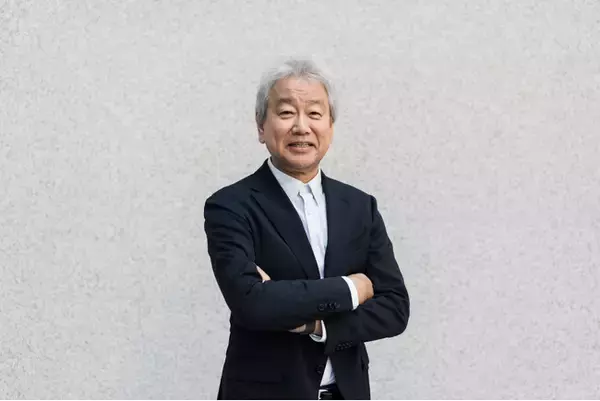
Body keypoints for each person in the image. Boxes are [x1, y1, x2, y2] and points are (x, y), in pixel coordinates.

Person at [203, 58, 410, 400]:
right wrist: (351, 288)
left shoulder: (360, 207)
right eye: (286, 113)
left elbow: (395, 308)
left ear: (330, 126)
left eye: (314, 113)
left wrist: (317, 325)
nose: (301, 126)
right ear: (261, 126)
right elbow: (251, 303)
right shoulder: (230, 206)